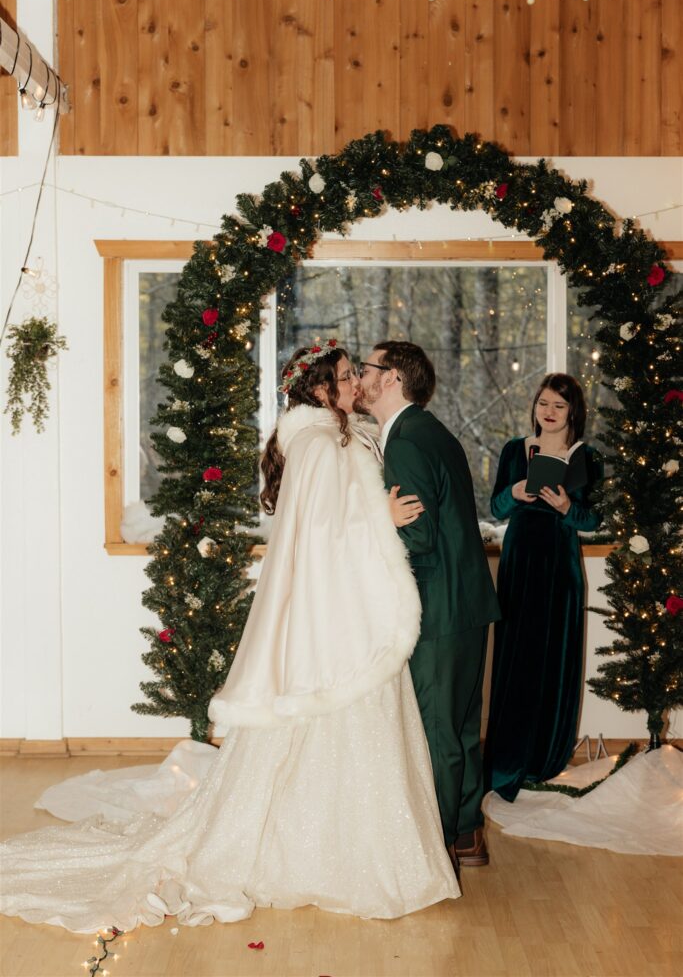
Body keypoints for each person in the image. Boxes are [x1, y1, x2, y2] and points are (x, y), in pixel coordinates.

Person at [0, 342, 459, 933]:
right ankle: (322, 857)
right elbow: (320, 536)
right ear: (320, 388)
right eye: (346, 377)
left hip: (354, 609)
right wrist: (383, 519)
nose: (355, 385)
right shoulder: (319, 444)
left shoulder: (338, 435)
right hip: (338, 619)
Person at [358, 341, 501, 871]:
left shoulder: (408, 442)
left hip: (439, 608)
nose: (361, 377)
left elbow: (414, 537)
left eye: (368, 368)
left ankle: (434, 849)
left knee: (438, 732)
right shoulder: (431, 431)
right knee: (461, 728)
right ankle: (466, 835)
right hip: (466, 602)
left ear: (392, 377)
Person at [484, 373, 603, 802]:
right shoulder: (515, 450)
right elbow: (495, 508)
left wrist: (569, 507)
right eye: (543, 404)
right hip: (520, 560)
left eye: (558, 406)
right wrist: (516, 491)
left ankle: (545, 758)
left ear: (573, 412)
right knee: (517, 656)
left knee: (554, 657)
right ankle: (508, 758)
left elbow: (593, 520)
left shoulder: (586, 457)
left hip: (560, 566)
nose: (548, 413)